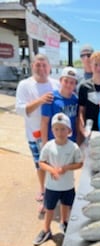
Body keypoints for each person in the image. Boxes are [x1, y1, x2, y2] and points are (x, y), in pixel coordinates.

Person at [33, 113, 83, 246]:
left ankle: (64, 222)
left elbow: (79, 163)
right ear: (52, 130)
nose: (59, 132)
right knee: (49, 208)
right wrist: (52, 170)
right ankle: (46, 229)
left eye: (63, 129)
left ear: (69, 131)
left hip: (67, 185)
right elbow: (41, 162)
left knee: (65, 204)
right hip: (51, 186)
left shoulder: (74, 147)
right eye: (56, 129)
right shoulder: (48, 146)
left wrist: (66, 167)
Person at [16, 53, 59, 204]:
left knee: (55, 162)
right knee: (40, 163)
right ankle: (42, 188)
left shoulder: (56, 84)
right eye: (38, 65)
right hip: (35, 134)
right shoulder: (24, 84)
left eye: (44, 65)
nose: (41, 68)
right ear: (32, 66)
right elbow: (20, 110)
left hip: (55, 133)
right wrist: (40, 101)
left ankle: (55, 188)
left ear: (50, 67)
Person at [41, 66, 79, 146]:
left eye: (72, 82)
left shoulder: (76, 100)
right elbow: (44, 122)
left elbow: (76, 122)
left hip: (70, 144)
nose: (68, 85)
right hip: (54, 143)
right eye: (66, 81)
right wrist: (44, 144)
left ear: (75, 84)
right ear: (60, 81)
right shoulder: (51, 98)